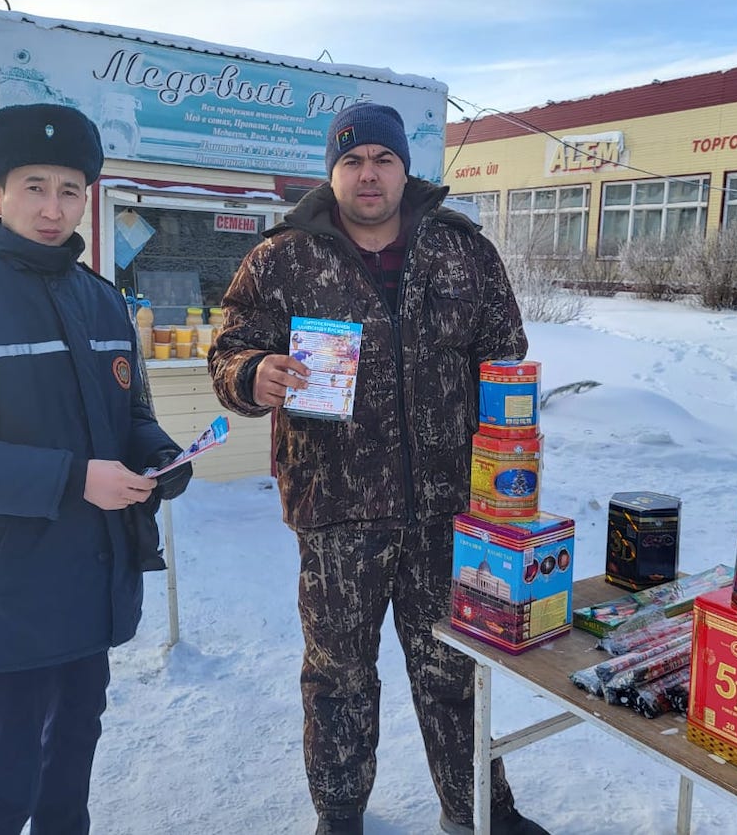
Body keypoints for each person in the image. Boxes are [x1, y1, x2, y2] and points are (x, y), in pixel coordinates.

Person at [209, 103, 548, 835]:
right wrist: (253, 372)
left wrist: (507, 471)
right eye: (353, 160)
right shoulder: (281, 259)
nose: (369, 174)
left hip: (446, 510)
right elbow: (228, 351)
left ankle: (480, 811)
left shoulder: (463, 251)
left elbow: (504, 354)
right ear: (332, 172)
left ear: (405, 168)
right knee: (338, 677)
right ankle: (340, 815)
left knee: (454, 670)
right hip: (336, 511)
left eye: (383, 160)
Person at [0, 103, 191, 835]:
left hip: (94, 579)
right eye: (34, 187)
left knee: (71, 768)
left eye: (70, 190)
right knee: (3, 780)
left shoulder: (104, 301)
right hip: (11, 590)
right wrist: (73, 478)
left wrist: (158, 454)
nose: (54, 209)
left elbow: (129, 416)